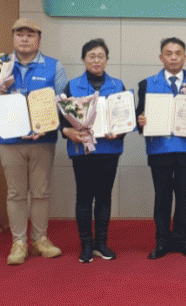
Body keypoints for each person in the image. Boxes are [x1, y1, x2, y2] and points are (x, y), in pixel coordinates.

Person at [0, 18, 66, 265]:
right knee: (16, 193)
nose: (25, 39)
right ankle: (18, 243)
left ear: (39, 39)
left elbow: (63, 102)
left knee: (41, 192)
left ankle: (40, 240)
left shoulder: (54, 66)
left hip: (43, 139)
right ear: (13, 37)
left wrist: (46, 126)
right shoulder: (0, 64)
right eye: (20, 34)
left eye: (30, 34)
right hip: (10, 139)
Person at [137, 37, 186, 260]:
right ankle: (162, 241)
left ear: (185, 57)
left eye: (178, 53)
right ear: (161, 57)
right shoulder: (147, 84)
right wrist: (141, 121)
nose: (173, 58)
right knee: (162, 197)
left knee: (184, 197)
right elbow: (139, 118)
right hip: (160, 149)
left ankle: (183, 240)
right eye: (169, 53)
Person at [61, 39, 126, 263]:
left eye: (100, 56)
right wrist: (68, 131)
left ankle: (101, 243)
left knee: (104, 196)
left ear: (106, 59)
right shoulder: (71, 86)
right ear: (83, 59)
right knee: (84, 196)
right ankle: (86, 245)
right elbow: (62, 121)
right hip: (82, 150)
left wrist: (120, 131)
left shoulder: (117, 85)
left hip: (109, 149)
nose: (96, 60)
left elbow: (125, 117)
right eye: (91, 56)